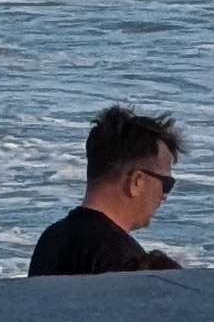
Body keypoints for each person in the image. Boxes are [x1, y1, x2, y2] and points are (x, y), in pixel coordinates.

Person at [27, 105, 184, 276]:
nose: (164, 196)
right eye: (166, 183)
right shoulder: (123, 257)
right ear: (136, 181)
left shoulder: (51, 239)